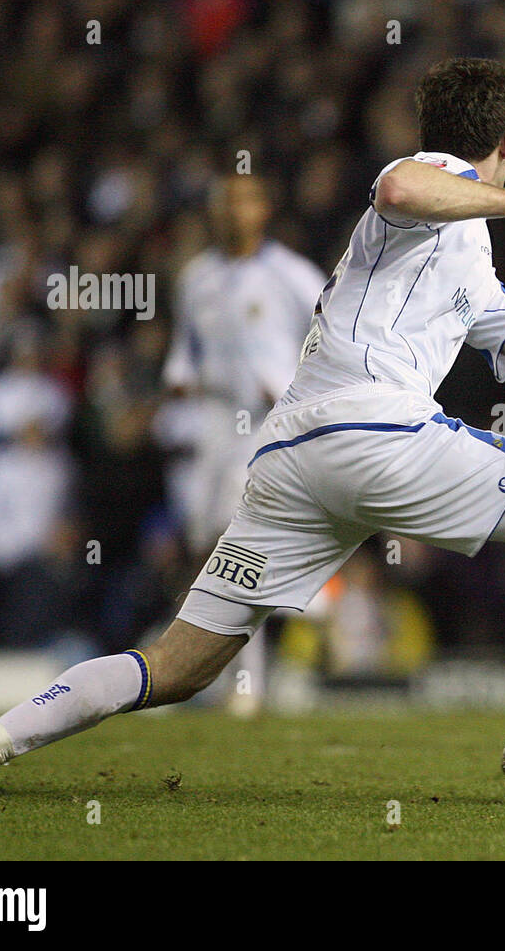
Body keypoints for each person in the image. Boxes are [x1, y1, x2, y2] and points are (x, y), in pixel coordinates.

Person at [0, 57, 505, 808]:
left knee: (181, 663)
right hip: (376, 433)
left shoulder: (467, 252)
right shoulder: (430, 185)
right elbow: (402, 190)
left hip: (293, 460)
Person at [161, 174, 328, 716]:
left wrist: (290, 386)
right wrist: (181, 375)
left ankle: (248, 682)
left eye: (244, 200)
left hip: (266, 425)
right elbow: (185, 345)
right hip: (211, 424)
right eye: (224, 200)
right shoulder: (197, 276)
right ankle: (228, 672)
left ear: (265, 208)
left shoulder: (294, 276)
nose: (234, 211)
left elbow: (333, 339)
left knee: (233, 546)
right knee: (205, 546)